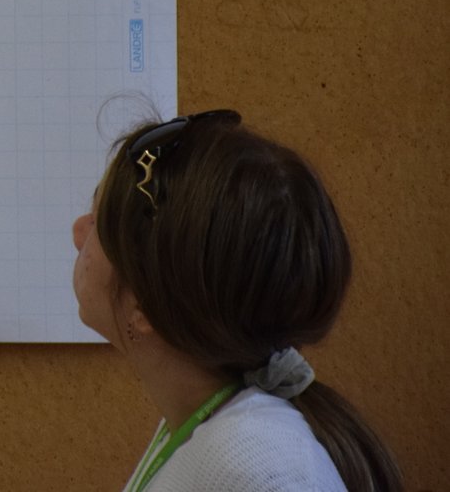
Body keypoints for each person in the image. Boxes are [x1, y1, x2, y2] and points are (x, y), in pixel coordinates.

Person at [73, 108, 403, 492]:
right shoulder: (219, 432)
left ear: (142, 302)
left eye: (97, 222)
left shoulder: (256, 467)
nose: (78, 233)